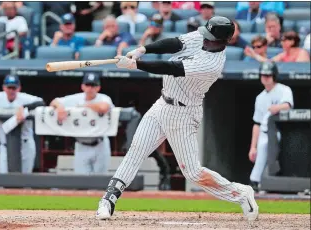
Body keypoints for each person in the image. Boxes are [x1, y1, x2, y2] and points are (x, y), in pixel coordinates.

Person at [95, 16, 259, 222]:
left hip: (184, 114)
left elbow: (171, 68)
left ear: (224, 41)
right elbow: (175, 43)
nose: (204, 39)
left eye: (210, 38)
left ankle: (240, 193)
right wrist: (143, 49)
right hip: (162, 105)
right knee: (136, 151)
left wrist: (135, 65)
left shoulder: (212, 64)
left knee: (193, 173)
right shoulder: (201, 36)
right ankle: (108, 199)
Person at [0, 75, 45, 173]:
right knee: (5, 179)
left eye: (14, 88)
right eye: (9, 87)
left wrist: (25, 107)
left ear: (19, 88)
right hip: (5, 145)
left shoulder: (24, 98)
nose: (11, 90)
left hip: (25, 144)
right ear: (4, 88)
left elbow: (41, 102)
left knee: (25, 179)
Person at [50, 73, 114, 175]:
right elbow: (54, 101)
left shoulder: (104, 98)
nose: (90, 88)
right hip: (81, 145)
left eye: (93, 85)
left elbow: (104, 108)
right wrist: (59, 107)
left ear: (98, 88)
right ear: (82, 86)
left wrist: (84, 106)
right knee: (82, 181)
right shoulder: (76, 98)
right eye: (87, 85)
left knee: (100, 181)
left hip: (100, 143)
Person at [248, 61, 293, 191]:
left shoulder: (284, 89)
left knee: (268, 147)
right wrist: (252, 147)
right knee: (262, 146)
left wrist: (277, 107)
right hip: (264, 132)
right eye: (263, 75)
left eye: (268, 75)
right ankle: (256, 182)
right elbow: (256, 123)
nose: (265, 77)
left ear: (274, 75)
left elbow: (288, 105)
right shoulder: (260, 98)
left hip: (284, 131)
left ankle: (256, 181)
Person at [245, 31, 310, 62]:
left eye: (284, 40)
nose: (281, 43)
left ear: (292, 41)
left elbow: (298, 70)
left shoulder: (302, 53)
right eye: (281, 40)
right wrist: (254, 55)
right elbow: (269, 62)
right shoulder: (284, 54)